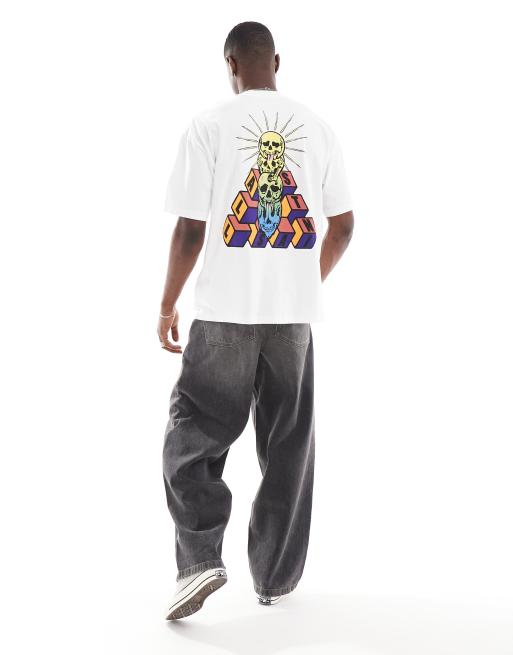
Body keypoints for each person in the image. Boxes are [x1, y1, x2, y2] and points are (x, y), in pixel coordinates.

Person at [158, 21, 354, 620]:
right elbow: (343, 226)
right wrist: (300, 283)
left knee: (194, 432)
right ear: (277, 61)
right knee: (288, 443)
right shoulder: (318, 129)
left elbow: (191, 230)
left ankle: (199, 561)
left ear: (230, 65)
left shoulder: (208, 125)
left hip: (224, 313)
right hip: (292, 322)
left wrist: (166, 304)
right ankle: (274, 578)